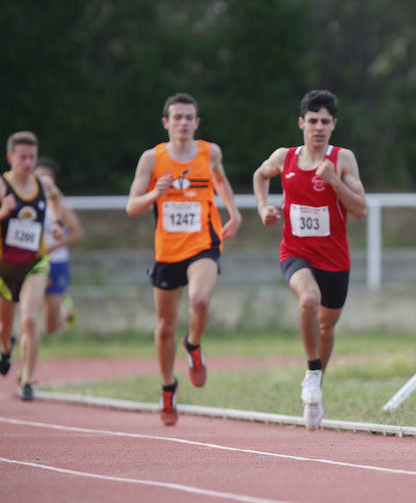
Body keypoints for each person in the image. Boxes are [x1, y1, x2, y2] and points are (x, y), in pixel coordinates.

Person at [252, 90, 366, 429]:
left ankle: (315, 378)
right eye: (312, 121)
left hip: (335, 259)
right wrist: (263, 208)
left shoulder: (342, 159)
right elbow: (260, 175)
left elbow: (359, 209)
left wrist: (334, 182)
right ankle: (313, 373)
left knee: (327, 327)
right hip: (295, 253)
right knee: (309, 299)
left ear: (333, 126)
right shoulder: (284, 158)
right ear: (302, 123)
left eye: (325, 122)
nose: (318, 127)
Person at [126, 93, 242, 426]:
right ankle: (167, 388)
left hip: (203, 242)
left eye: (189, 117)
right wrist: (155, 193)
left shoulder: (210, 152)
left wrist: (233, 213)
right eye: (177, 117)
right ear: (166, 122)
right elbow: (132, 207)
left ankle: (193, 345)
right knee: (165, 327)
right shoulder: (152, 159)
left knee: (200, 299)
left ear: (196, 122)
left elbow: (220, 180)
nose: (183, 123)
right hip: (167, 251)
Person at [0, 131, 71, 401]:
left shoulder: (43, 184)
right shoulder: (3, 186)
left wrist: (56, 222)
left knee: (29, 319)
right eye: (22, 158)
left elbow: (56, 199)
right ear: (10, 158)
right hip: (5, 266)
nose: (28, 163)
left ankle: (28, 380)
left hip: (35, 262)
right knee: (4, 328)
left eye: (32, 157)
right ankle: (6, 349)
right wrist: (4, 212)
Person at [34, 157, 84, 334]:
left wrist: (53, 246)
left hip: (55, 263)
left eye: (49, 178)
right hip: (32, 262)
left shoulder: (59, 204)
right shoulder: (24, 202)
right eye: (40, 177)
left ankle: (64, 312)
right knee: (28, 313)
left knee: (51, 326)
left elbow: (78, 233)